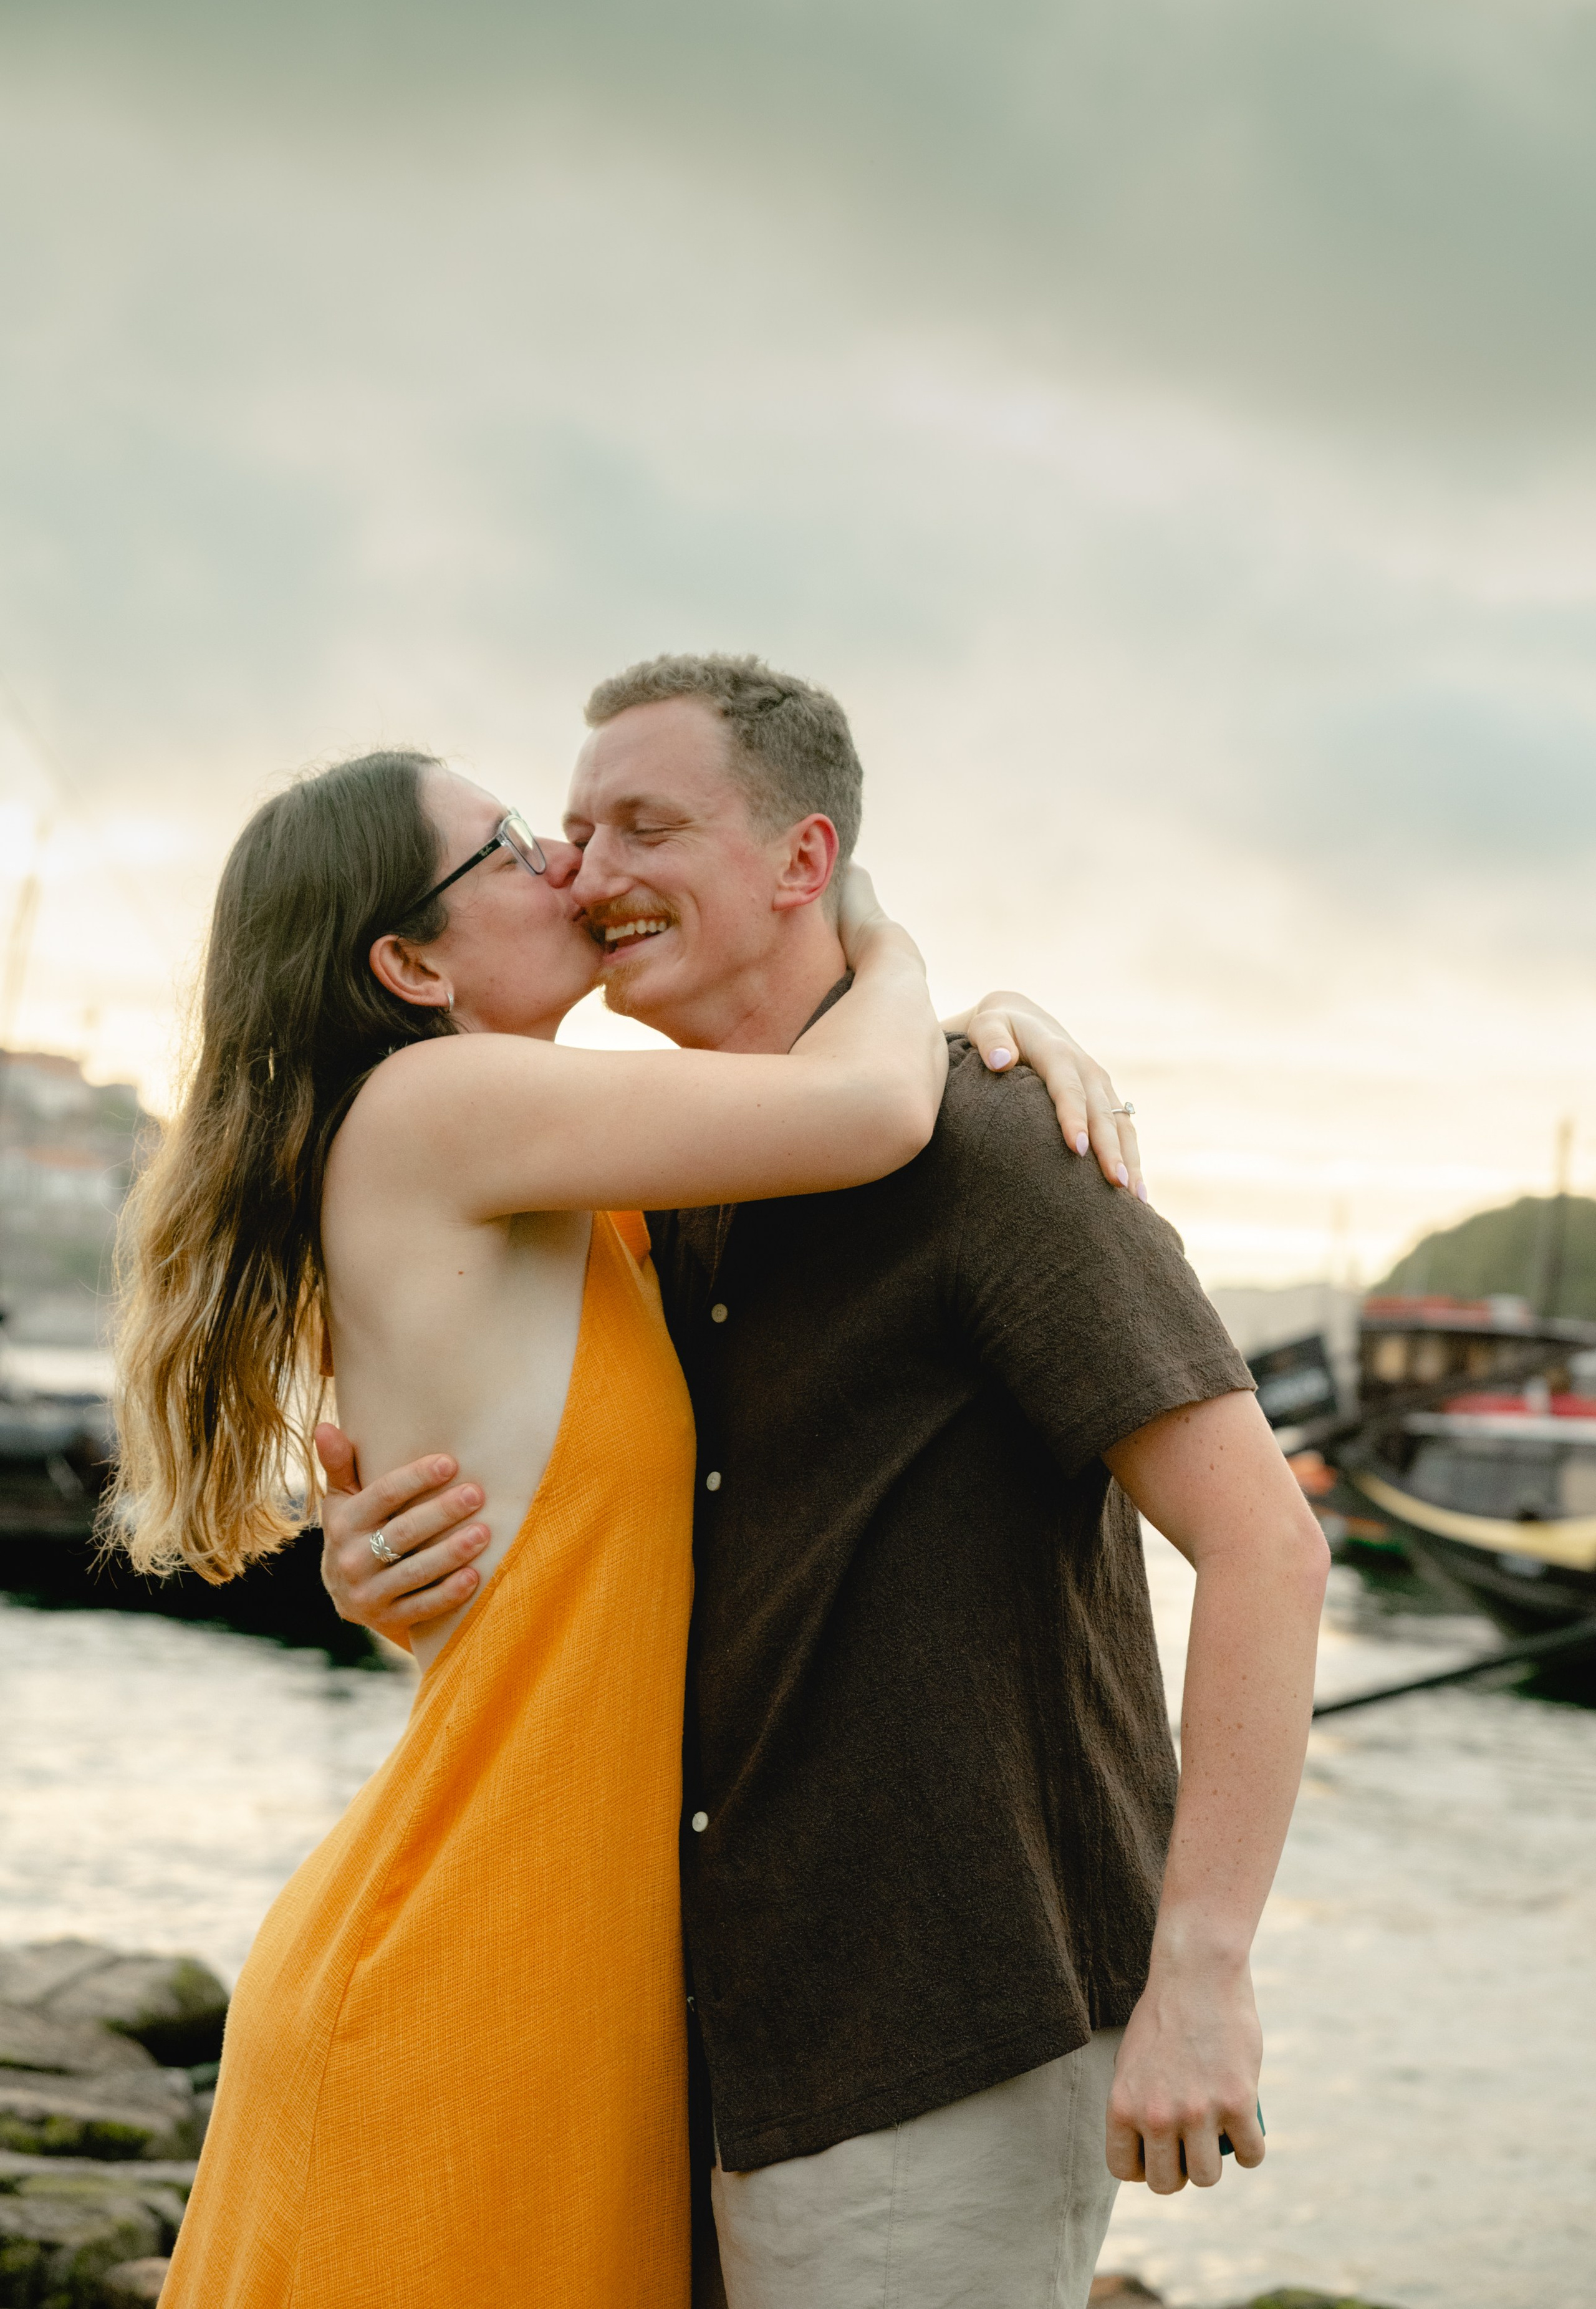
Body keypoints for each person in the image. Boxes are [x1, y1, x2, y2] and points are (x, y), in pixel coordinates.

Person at [321, 656, 1331, 2309]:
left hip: (940, 2024)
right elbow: (602, 1556)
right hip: (708, 2031)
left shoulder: (999, 1146)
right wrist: (380, 1573)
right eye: (571, 831)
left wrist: (1204, 1967)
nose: (587, 868)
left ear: (805, 863)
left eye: (647, 822)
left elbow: (1266, 1545)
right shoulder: (666, 1179)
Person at [108, 744, 997, 2309]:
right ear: (409, 962)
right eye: (514, 845)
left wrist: (1014, 1029)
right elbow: (865, 1106)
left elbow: (530, 1543)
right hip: (463, 1962)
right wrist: (881, 934)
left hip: (554, 1965)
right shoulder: (440, 1102)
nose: (570, 868)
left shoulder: (574, 1187)